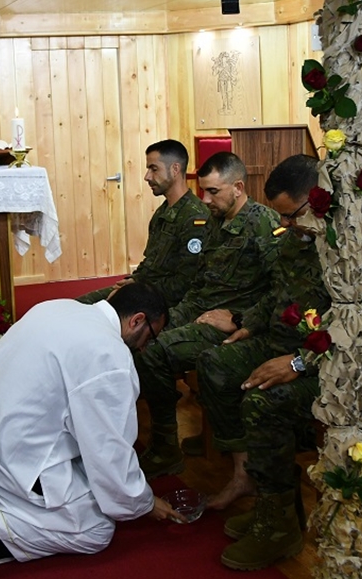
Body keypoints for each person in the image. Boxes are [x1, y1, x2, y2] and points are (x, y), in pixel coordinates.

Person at [194, 155, 362, 570]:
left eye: (292, 216)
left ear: (319, 198)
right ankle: (269, 495)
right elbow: (278, 293)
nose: (287, 226)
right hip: (295, 346)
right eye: (282, 218)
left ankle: (279, 528)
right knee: (216, 366)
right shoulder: (300, 236)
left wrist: (299, 364)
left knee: (264, 402)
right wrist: (250, 324)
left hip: (352, 368)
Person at [0, 283, 184, 578]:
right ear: (137, 320)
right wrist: (144, 502)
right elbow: (108, 449)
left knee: (88, 486)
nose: (144, 347)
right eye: (150, 337)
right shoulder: (109, 354)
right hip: (14, 453)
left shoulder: (57, 306)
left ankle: (15, 510)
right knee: (96, 529)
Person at [135, 151, 281, 479]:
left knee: (156, 353)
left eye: (213, 191)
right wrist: (169, 317)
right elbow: (199, 284)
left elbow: (280, 289)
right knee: (142, 335)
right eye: (202, 190)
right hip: (200, 312)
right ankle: (185, 435)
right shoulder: (214, 222)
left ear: (238, 187)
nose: (205, 199)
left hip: (229, 324)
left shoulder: (262, 223)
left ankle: (166, 447)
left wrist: (241, 319)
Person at [77, 139, 209, 307]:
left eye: (154, 169)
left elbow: (185, 284)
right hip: (146, 288)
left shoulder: (195, 218)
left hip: (162, 300)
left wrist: (136, 289)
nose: (147, 177)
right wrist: (132, 281)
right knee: (77, 306)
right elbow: (151, 263)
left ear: (175, 169)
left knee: (92, 315)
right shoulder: (163, 212)